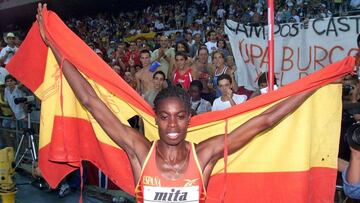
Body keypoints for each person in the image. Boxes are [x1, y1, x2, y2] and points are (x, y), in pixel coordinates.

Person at [37, 4, 318, 202]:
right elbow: (91, 101)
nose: (172, 124)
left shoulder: (204, 155)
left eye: (180, 116)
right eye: (165, 117)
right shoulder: (139, 151)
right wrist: (55, 46)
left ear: (189, 118)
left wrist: (316, 83)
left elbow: (264, 121)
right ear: (155, 117)